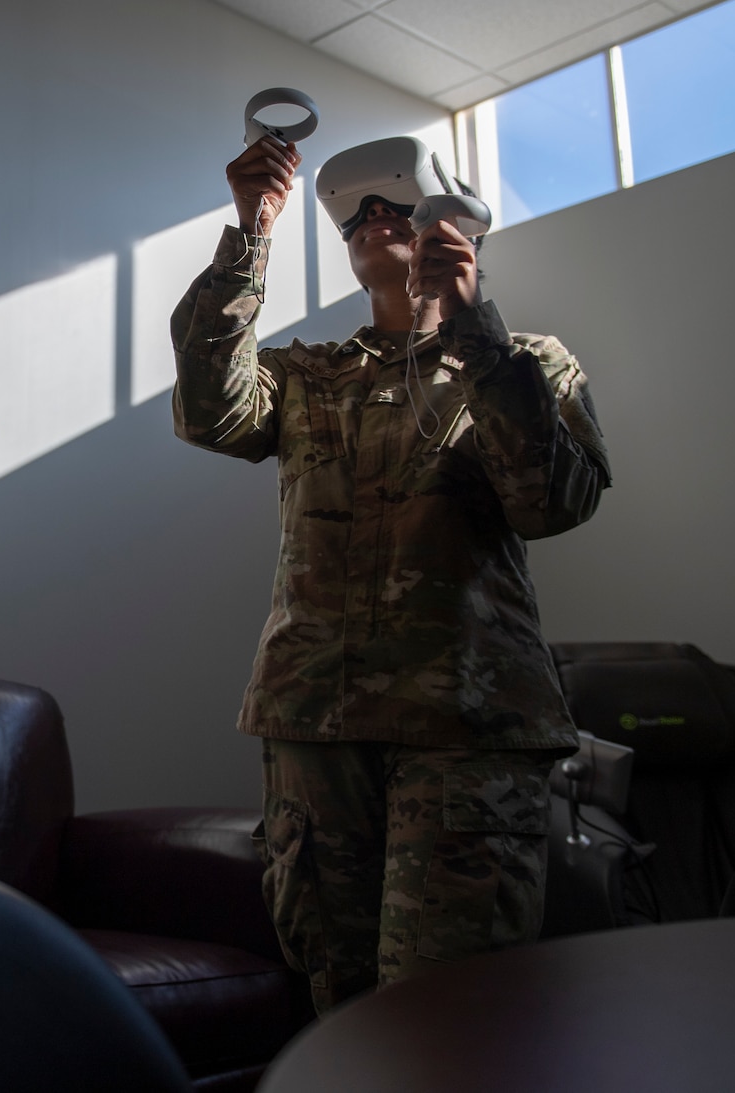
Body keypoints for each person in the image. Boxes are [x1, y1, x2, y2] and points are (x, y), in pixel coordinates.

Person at [171, 130, 609, 1013]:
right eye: (358, 214)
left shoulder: (528, 360)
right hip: (316, 726)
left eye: (395, 204)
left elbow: (553, 501)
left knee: (449, 1010)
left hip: (465, 729)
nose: (374, 219)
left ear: (460, 232)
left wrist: (476, 332)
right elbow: (208, 410)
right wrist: (250, 232)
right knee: (341, 997)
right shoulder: (310, 374)